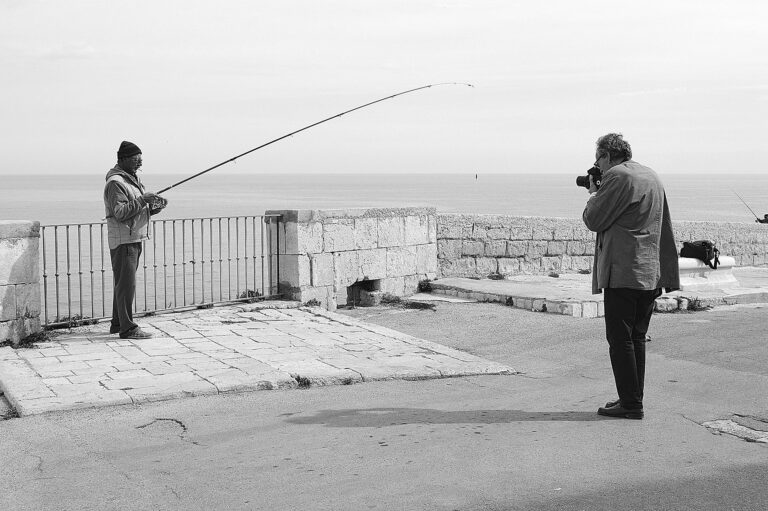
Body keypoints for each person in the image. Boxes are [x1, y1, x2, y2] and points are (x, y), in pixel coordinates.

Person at [582, 133, 679, 420]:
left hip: (623, 270)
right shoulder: (651, 175)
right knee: (636, 337)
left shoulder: (618, 177)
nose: (597, 165)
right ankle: (632, 399)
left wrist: (594, 193)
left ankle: (630, 404)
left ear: (609, 156)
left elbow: (593, 219)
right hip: (649, 270)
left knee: (620, 338)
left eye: (598, 158)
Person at [103, 141, 167, 339]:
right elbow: (120, 212)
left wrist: (153, 208)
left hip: (132, 237)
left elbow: (135, 208)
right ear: (122, 159)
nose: (139, 162)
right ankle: (128, 328)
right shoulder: (116, 182)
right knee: (126, 285)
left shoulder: (131, 179)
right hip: (124, 240)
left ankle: (118, 323)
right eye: (134, 159)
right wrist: (143, 200)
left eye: (140, 159)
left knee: (123, 284)